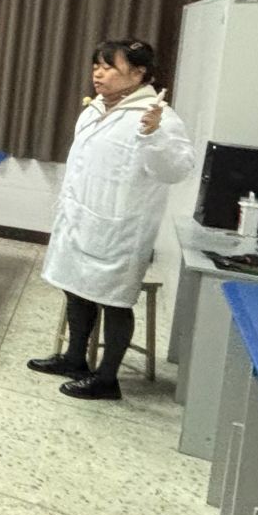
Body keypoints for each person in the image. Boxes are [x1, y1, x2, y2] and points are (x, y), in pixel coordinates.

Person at [32, 39, 196, 401]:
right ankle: (75, 359)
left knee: (115, 301)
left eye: (109, 67)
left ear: (138, 73)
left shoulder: (159, 117)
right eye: (96, 66)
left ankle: (107, 379)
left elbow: (176, 170)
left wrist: (153, 135)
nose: (98, 73)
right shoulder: (94, 109)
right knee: (76, 290)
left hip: (119, 229)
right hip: (79, 219)